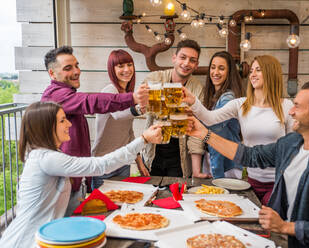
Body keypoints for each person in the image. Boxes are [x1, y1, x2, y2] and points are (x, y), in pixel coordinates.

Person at [187, 80, 309, 247]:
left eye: (297, 106)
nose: (291, 111)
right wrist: (204, 134)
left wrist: (286, 227)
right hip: (280, 241)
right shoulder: (290, 144)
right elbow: (249, 155)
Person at [0, 101, 162, 248]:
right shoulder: (47, 159)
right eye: (63, 120)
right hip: (26, 242)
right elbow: (101, 165)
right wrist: (143, 139)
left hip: (47, 238)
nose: (69, 124)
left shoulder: (45, 155)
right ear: (46, 127)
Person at [41, 46, 149, 214]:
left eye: (77, 65)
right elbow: (92, 102)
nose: (77, 71)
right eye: (68, 68)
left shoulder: (67, 95)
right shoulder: (56, 95)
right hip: (64, 181)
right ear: (52, 74)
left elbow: (127, 129)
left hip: (76, 178)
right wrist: (134, 99)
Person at [183, 55, 293, 204]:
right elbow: (209, 118)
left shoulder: (286, 106)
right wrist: (193, 101)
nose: (252, 74)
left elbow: (295, 147)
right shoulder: (241, 104)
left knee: (269, 221)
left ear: (271, 73)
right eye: (252, 70)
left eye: (258, 70)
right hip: (250, 182)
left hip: (279, 182)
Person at [142, 39, 206, 178]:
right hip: (153, 152)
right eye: (183, 57)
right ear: (174, 58)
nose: (186, 63)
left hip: (180, 157)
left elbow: (196, 130)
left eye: (192, 60)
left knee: (178, 196)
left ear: (196, 65)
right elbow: (142, 109)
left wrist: (196, 170)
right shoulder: (154, 79)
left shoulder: (197, 88)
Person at [91, 49, 149, 190]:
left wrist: (140, 163)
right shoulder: (109, 91)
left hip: (123, 162)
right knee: (103, 208)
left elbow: (129, 134)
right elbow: (118, 114)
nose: (126, 70)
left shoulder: (129, 94)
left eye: (129, 65)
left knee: (123, 205)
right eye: (120, 66)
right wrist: (140, 108)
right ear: (112, 69)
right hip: (103, 163)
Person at [198, 51, 244, 178]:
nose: (215, 72)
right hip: (214, 160)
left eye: (221, 68)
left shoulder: (228, 98)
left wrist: (191, 113)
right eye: (213, 67)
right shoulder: (214, 96)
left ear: (229, 73)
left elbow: (215, 127)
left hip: (226, 165)